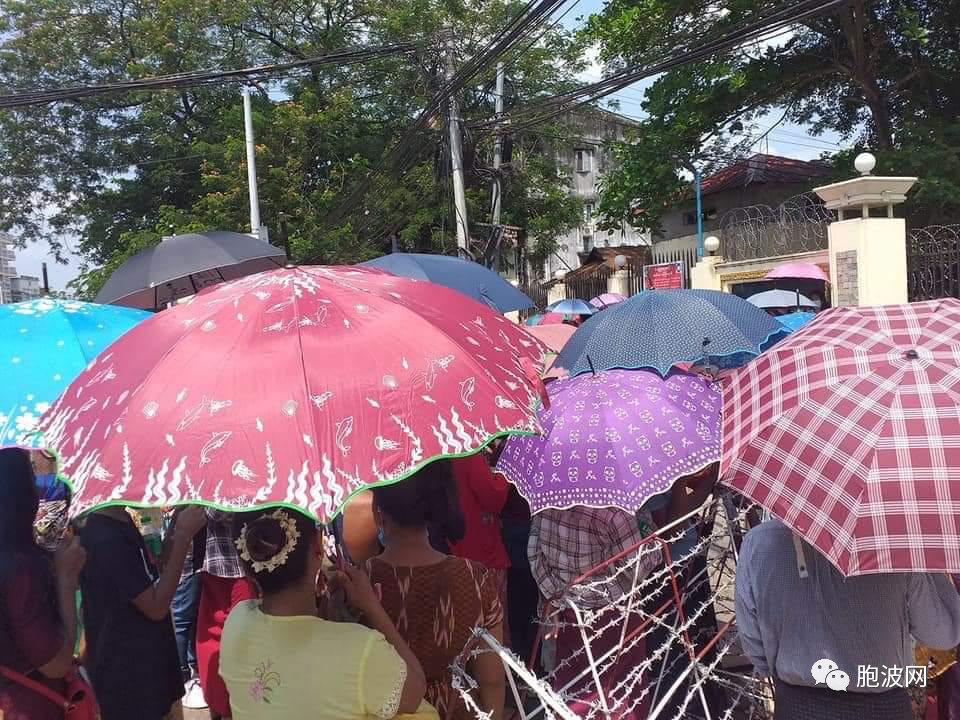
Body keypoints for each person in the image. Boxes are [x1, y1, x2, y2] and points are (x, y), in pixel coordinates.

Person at [219, 506, 435, 719]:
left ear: (246, 562)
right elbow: (415, 690)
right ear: (317, 547)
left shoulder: (237, 621)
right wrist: (371, 605)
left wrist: (328, 615)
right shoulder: (361, 649)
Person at [735, 519, 960, 720]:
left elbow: (755, 648)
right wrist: (927, 557)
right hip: (883, 706)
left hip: (795, 704)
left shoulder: (759, 543)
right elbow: (944, 633)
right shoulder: (895, 544)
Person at [368, 461, 506, 720]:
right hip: (457, 709)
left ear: (378, 514)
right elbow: (492, 680)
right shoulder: (475, 578)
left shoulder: (358, 585)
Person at [528, 504, 661, 718]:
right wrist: (649, 532)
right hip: (616, 615)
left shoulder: (546, 508)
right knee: (621, 689)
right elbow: (639, 567)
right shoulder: (617, 514)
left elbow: (535, 557)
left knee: (574, 684)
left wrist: (557, 596)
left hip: (570, 613)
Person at [79, 504, 207, 720]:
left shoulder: (120, 520)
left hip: (146, 664)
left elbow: (153, 573)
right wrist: (184, 536)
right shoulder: (106, 539)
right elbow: (155, 607)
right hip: (129, 677)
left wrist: (175, 526)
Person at [0, 448, 85, 720]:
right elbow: (57, 664)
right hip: (31, 706)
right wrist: (66, 579)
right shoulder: (21, 569)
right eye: (31, 475)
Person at [196, 510, 258, 719]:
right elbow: (222, 512)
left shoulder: (203, 478)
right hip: (237, 568)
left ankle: (220, 706)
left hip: (214, 563)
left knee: (213, 637)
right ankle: (229, 707)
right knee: (241, 640)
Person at [447, 454, 511, 640]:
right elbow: (493, 496)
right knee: (493, 623)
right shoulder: (469, 454)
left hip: (454, 547)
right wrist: (504, 471)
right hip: (480, 552)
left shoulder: (441, 452)